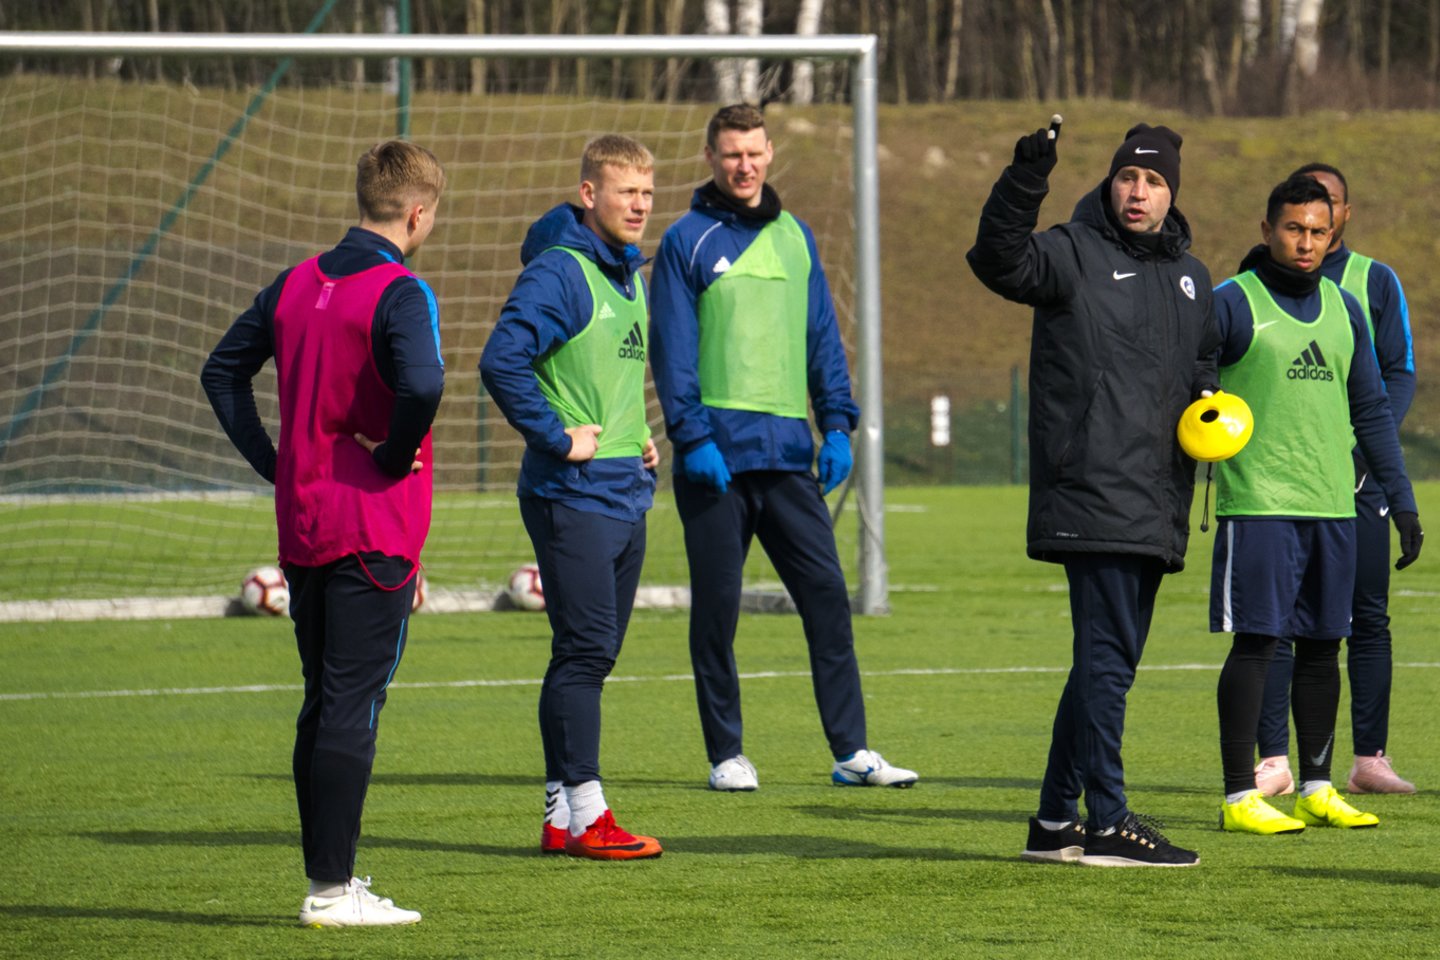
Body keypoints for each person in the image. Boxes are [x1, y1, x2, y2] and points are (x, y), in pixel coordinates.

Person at [201, 140, 446, 925]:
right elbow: (425, 384)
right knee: (352, 705)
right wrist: (395, 453)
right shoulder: (401, 291)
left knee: (323, 701)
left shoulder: (294, 283)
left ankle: (329, 877)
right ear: (417, 214)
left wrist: (276, 464)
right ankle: (333, 891)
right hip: (373, 524)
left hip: (304, 522)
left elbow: (220, 372)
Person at [967, 119, 1217, 867]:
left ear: (1172, 194)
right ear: (1110, 183)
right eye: (1128, 177)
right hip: (1094, 490)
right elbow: (998, 259)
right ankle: (1108, 819)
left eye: (1154, 181)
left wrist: (1209, 396)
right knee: (1107, 663)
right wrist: (1026, 176)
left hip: (1157, 498)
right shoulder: (1071, 253)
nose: (1138, 191)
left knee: (1105, 666)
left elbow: (1202, 356)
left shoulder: (1192, 276)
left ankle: (1054, 822)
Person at [649, 103, 917, 793]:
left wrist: (837, 424)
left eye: (754, 153)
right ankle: (726, 754)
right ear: (711, 158)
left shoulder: (796, 236)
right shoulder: (685, 240)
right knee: (718, 610)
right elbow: (671, 349)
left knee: (827, 598)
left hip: (789, 456)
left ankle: (852, 751)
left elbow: (821, 336)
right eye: (731, 154)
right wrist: (692, 436)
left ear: (770, 154)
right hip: (715, 462)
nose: (744, 166)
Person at [1211, 174, 1423, 836]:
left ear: (1334, 235)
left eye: (1318, 232)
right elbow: (1188, 387)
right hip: (1259, 503)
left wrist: (1402, 500)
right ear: (1268, 229)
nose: (1306, 243)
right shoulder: (1231, 302)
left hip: (1334, 504)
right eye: (1294, 229)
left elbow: (1372, 410)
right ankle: (1239, 796)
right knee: (1257, 643)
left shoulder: (1345, 307)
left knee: (1324, 647)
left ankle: (1316, 787)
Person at [480, 134, 663, 861]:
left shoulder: (629, 274)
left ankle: (561, 813)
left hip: (624, 488)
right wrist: (558, 438)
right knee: (585, 653)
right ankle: (590, 815)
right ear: (589, 194)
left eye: (647, 193)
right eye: (626, 192)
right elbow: (502, 360)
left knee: (588, 654)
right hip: (574, 493)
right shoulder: (561, 270)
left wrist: (637, 434)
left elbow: (606, 377)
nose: (640, 206)